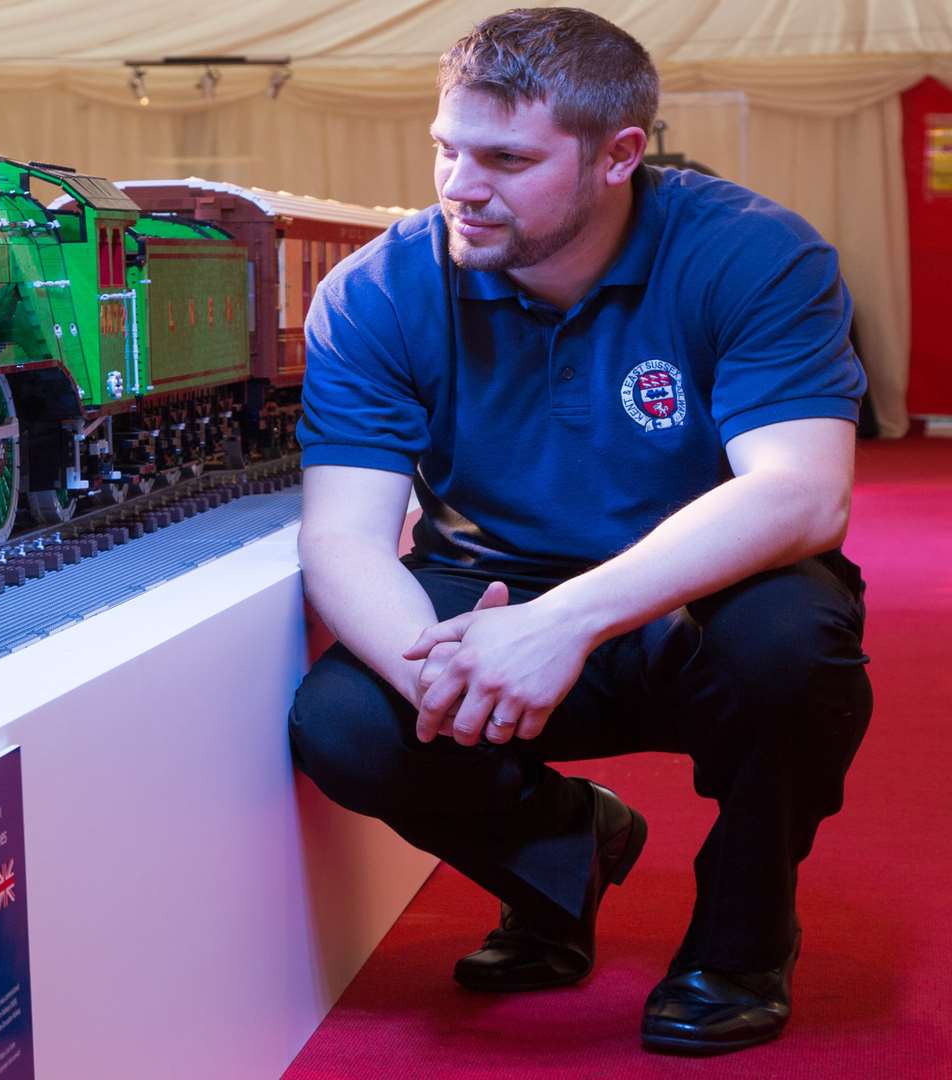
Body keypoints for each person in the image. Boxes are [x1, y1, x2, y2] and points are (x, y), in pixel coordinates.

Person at [286, 6, 871, 1056]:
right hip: (492, 587)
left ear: (619, 156)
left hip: (694, 594)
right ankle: (565, 851)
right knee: (346, 725)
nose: (461, 186)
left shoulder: (752, 254)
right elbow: (343, 539)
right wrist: (437, 677)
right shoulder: (375, 290)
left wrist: (567, 623)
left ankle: (741, 944)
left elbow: (801, 496)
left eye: (506, 159)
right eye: (446, 150)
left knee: (794, 648)